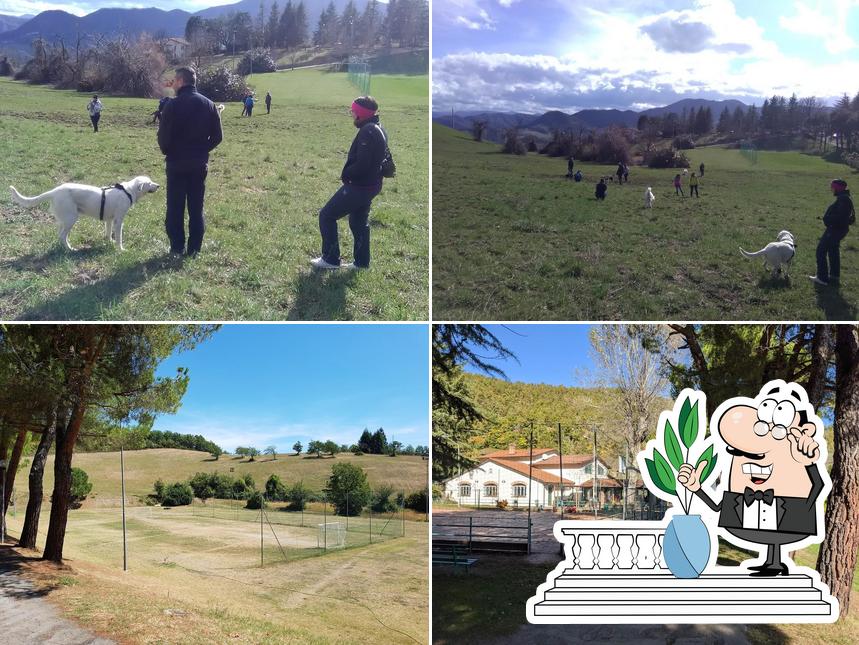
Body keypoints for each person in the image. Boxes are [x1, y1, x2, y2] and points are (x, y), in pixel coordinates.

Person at [312, 96, 388, 270]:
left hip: (359, 186)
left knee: (327, 215)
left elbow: (362, 164)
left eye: (353, 111)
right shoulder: (379, 128)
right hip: (371, 185)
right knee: (358, 222)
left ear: (361, 113)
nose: (351, 113)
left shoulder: (367, 131)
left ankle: (330, 259)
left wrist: (346, 174)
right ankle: (361, 263)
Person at [157, 67, 223, 257]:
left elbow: (163, 137)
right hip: (198, 165)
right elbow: (218, 136)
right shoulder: (209, 104)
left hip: (176, 164)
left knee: (175, 207)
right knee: (196, 207)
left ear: (180, 81)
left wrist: (167, 151)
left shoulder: (172, 105)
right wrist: (203, 150)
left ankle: (177, 247)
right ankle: (194, 249)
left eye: (175, 81)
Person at [809, 179, 855, 286]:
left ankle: (822, 278)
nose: (832, 189)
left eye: (833, 187)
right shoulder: (844, 198)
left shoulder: (843, 200)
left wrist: (828, 219)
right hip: (838, 229)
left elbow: (841, 217)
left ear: (838, 188)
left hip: (835, 230)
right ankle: (834, 276)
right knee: (833, 250)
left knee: (820, 250)